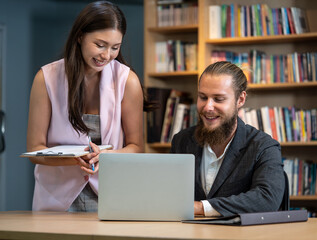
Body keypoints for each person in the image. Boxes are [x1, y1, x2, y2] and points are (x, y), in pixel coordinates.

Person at [27, 1, 147, 212]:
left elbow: (136, 147)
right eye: (100, 45)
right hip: (56, 198)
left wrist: (106, 156)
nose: (107, 55)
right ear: (80, 36)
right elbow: (35, 149)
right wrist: (74, 159)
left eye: (115, 47)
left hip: (111, 196)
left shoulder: (128, 81)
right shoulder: (45, 79)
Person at [170, 61, 285, 217]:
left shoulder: (263, 146)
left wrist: (200, 208)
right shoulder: (181, 141)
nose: (208, 107)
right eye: (203, 97)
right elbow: (169, 194)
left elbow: (267, 198)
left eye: (218, 99)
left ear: (240, 99)